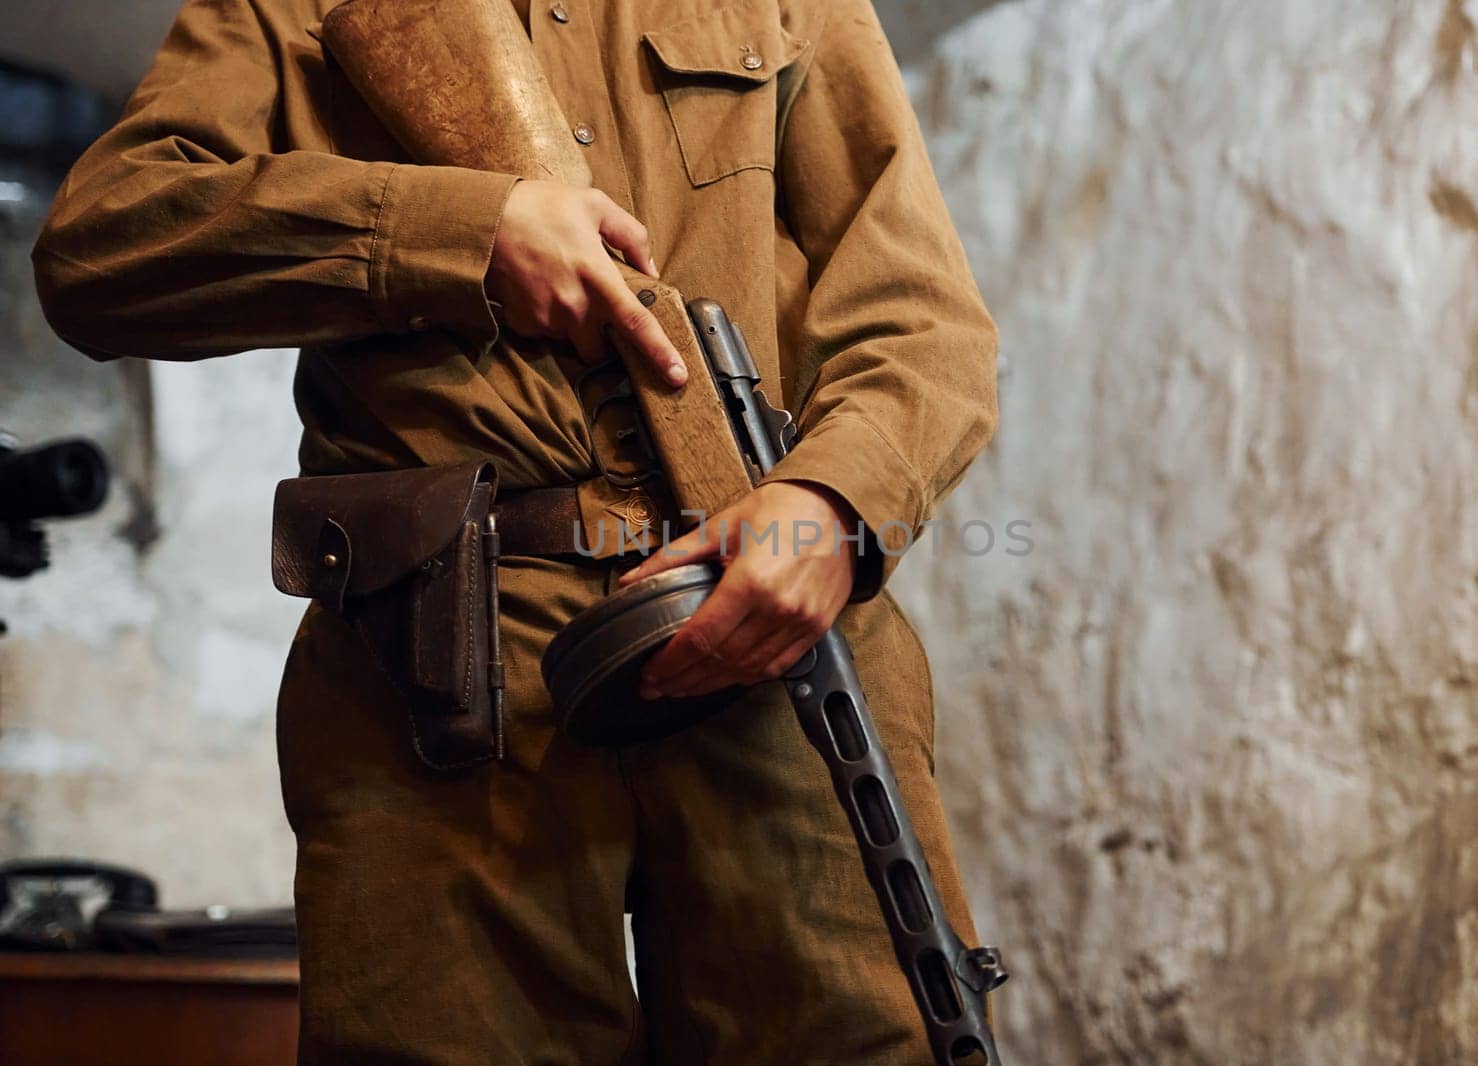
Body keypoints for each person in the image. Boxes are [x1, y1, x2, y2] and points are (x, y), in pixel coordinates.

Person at [32, 0, 999, 1061]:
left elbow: (922, 318)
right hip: (438, 667)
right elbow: (99, 246)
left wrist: (835, 504)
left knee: (865, 1038)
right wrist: (461, 232)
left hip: (765, 627)